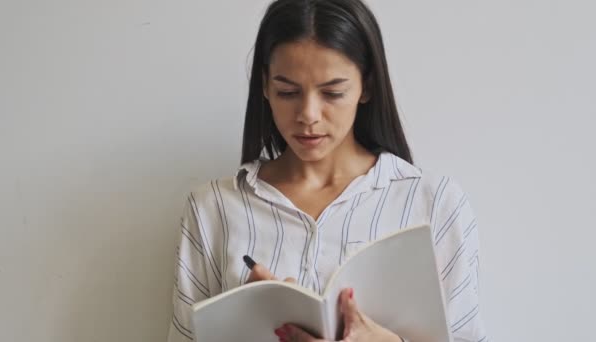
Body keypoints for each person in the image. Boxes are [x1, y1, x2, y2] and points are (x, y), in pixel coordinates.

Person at [167, 0, 488, 341]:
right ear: (264, 85)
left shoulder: (434, 204)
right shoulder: (212, 209)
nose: (308, 114)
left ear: (366, 86)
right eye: (287, 92)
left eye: (332, 92)